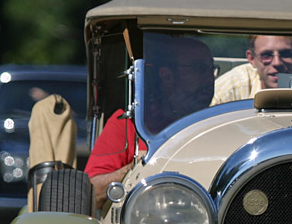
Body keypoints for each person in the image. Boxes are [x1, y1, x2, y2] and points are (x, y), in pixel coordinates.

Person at [85, 34, 214, 209]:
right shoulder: (127, 124)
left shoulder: (215, 125)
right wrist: (133, 169)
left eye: (211, 69)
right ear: (167, 76)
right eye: (199, 68)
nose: (209, 78)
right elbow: (90, 193)